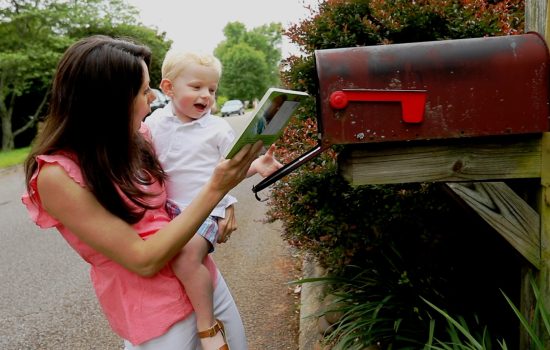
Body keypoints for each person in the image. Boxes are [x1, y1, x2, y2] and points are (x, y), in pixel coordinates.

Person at [22, 35, 263, 350]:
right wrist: (217, 189)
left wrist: (226, 203)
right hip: (157, 316)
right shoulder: (55, 175)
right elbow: (144, 260)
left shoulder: (139, 137)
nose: (152, 97)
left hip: (203, 284)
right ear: (110, 99)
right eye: (143, 89)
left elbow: (189, 176)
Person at [144, 50, 282, 350]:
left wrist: (256, 166)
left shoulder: (217, 128)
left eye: (212, 90)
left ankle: (207, 326)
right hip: (167, 212)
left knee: (186, 256)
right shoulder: (154, 125)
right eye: (196, 87)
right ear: (168, 88)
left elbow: (231, 170)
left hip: (206, 212)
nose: (206, 95)